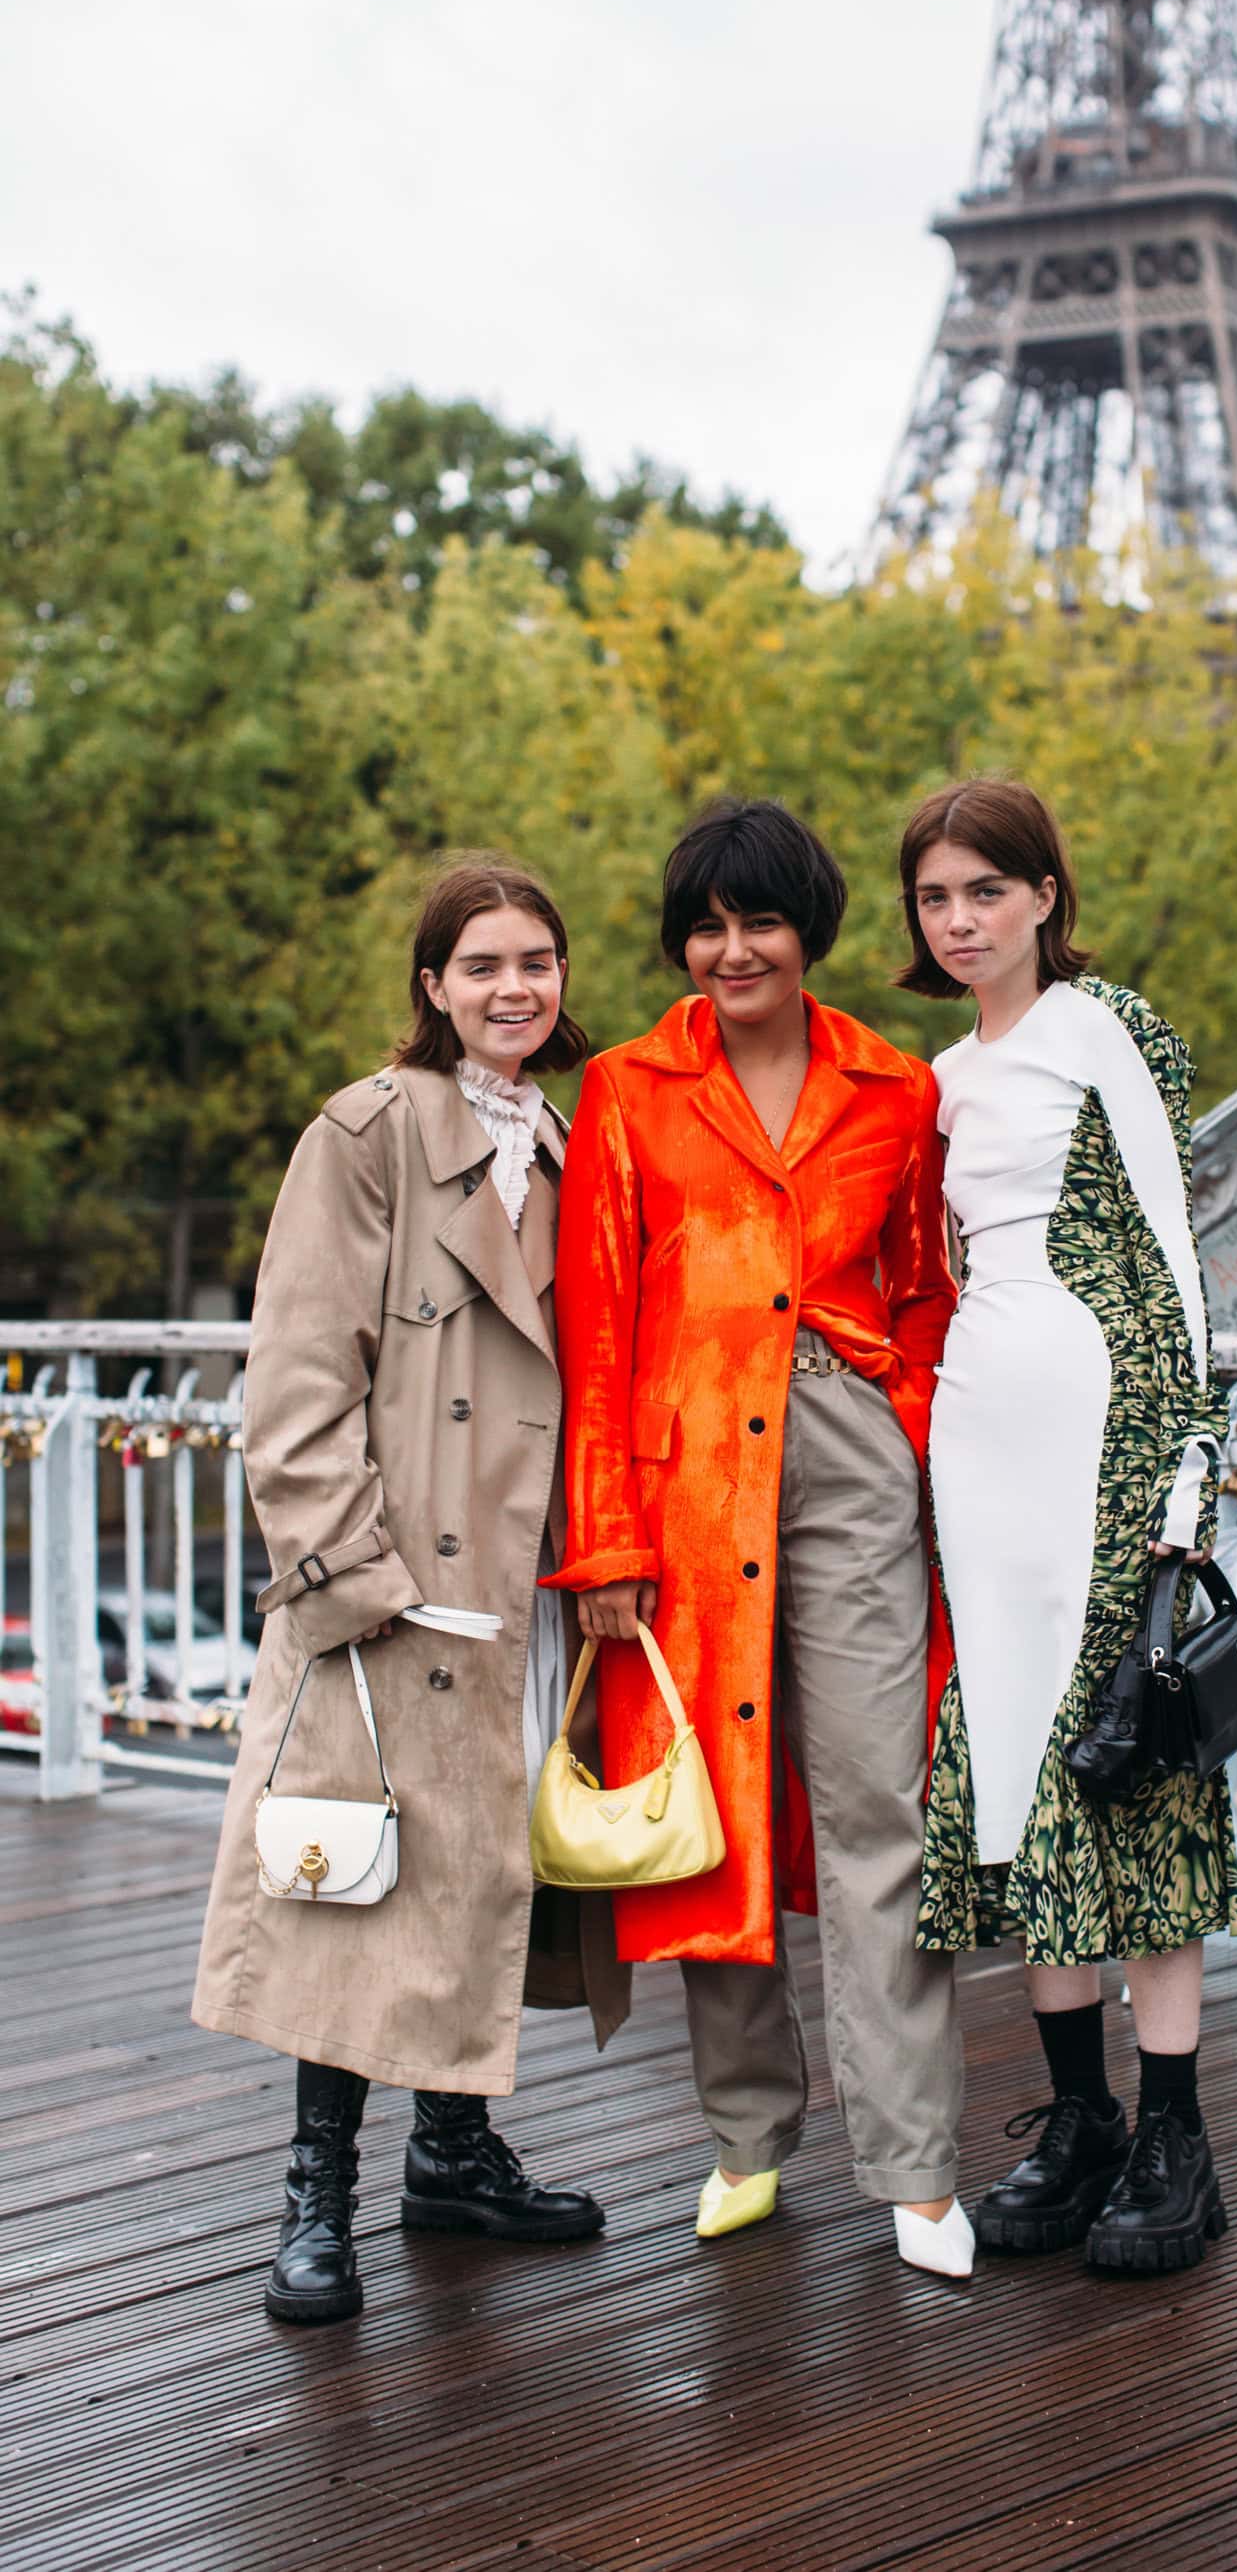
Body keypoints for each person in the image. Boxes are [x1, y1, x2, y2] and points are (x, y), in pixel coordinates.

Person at [192, 860, 629, 2325]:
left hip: (522, 1580)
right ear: (433, 985)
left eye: (538, 962)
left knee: (480, 1864)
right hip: (393, 1588)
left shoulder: (570, 1146)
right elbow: (297, 1376)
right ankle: (315, 2197)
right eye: (483, 964)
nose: (515, 988)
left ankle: (452, 2157)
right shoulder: (367, 1132)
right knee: (352, 1879)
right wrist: (343, 1572)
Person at [543, 797, 972, 2277]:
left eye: (761, 923)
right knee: (708, 1814)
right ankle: (745, 2134)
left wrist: (903, 1423)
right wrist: (604, 1544)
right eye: (708, 928)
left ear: (810, 933)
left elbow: (922, 1289)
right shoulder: (627, 1088)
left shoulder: (895, 1087)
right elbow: (597, 1330)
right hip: (681, 1491)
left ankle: (915, 2166)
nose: (734, 952)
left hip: (847, 1459)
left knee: (878, 1803)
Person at [900, 777, 1237, 2277]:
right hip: (982, 1437)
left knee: (1130, 1759)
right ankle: (1080, 2121)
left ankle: (1176, 2138)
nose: (960, 919)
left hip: (1108, 1442)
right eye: (935, 897)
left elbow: (1175, 1252)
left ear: (1045, 895)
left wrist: (1190, 1474)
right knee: (1018, 1761)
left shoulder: (1103, 1030)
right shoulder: (939, 1074)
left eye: (987, 889)